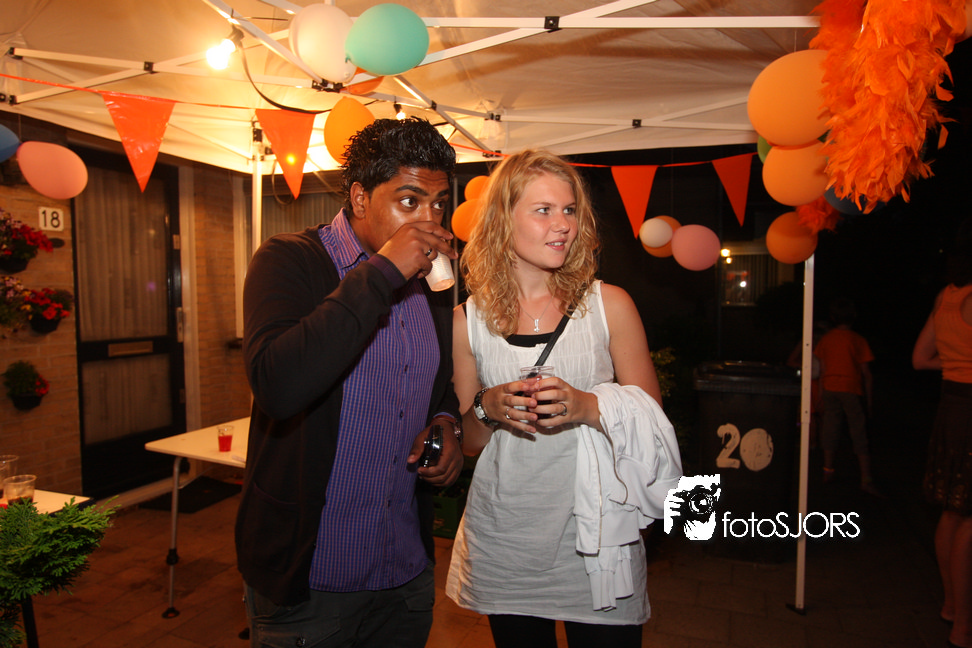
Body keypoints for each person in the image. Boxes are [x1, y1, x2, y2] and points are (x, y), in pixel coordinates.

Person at [237, 117, 465, 648]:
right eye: (409, 201)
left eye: (438, 204)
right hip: (312, 575)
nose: (429, 220)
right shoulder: (290, 260)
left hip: (403, 567)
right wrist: (383, 272)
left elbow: (437, 380)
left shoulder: (429, 284)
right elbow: (278, 385)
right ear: (360, 198)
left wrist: (446, 422)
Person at [445, 149, 682, 648]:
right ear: (503, 220)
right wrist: (489, 406)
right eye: (544, 210)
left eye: (570, 210)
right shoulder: (468, 321)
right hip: (507, 538)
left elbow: (654, 424)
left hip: (597, 540)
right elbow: (467, 442)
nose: (563, 225)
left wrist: (588, 406)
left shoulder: (608, 305)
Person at [912, 220, 972, 648]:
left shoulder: (947, 296)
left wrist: (955, 366)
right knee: (968, 516)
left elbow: (920, 358)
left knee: (953, 512)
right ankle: (964, 625)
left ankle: (951, 605)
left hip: (952, 405)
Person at [813, 297, 879, 494]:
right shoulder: (858, 340)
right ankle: (865, 478)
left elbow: (823, 368)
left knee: (830, 428)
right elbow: (866, 373)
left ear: (833, 317)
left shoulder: (827, 339)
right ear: (854, 316)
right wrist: (869, 401)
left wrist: (821, 393)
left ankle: (828, 470)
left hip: (830, 386)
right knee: (858, 431)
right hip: (851, 388)